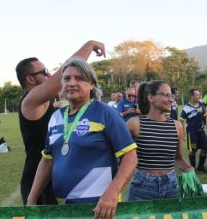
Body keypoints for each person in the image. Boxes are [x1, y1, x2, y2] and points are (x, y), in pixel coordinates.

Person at [27, 58, 138, 219]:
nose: (71, 83)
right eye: (66, 78)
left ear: (92, 84)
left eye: (79, 78)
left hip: (99, 208)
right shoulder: (56, 117)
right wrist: (31, 199)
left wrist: (112, 193)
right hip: (64, 208)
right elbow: (47, 160)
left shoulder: (106, 113)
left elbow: (130, 156)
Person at [16, 40, 105, 205]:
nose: (49, 75)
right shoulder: (31, 100)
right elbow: (59, 80)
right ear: (30, 78)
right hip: (38, 180)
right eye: (45, 72)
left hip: (52, 176)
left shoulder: (44, 103)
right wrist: (90, 46)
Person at [126, 80, 194, 201]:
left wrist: (189, 169)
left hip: (171, 186)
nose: (171, 99)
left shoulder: (177, 126)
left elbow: (177, 158)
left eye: (171, 96)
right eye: (166, 95)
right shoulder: (135, 124)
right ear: (151, 97)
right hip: (142, 187)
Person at [181, 88, 207, 173]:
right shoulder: (186, 108)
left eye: (199, 95)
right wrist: (183, 133)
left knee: (205, 148)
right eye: (197, 95)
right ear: (191, 96)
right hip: (191, 132)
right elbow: (181, 121)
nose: (199, 96)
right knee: (193, 150)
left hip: (201, 131)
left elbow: (205, 116)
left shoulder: (201, 105)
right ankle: (192, 168)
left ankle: (201, 166)